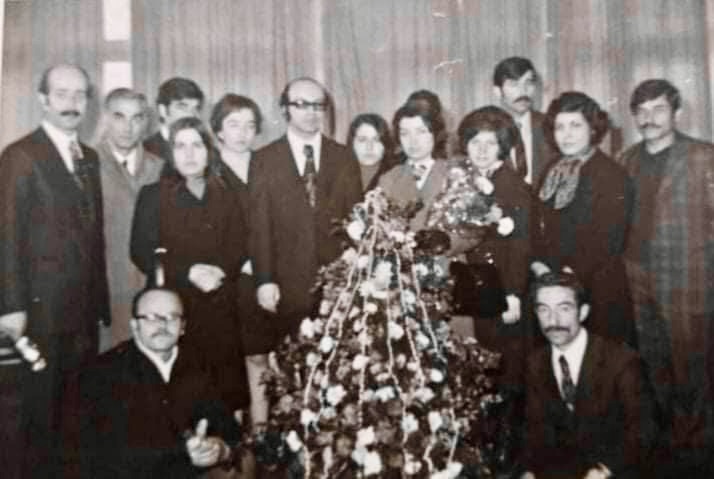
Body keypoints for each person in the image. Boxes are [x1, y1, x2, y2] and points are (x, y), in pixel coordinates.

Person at [0, 63, 110, 477]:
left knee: (75, 416)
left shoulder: (89, 158)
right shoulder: (20, 156)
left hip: (82, 314)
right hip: (39, 313)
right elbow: (6, 235)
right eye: (61, 94)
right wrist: (12, 307)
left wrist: (99, 303)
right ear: (43, 100)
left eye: (79, 95)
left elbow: (91, 236)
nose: (71, 103)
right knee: (37, 420)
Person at [618, 79, 714, 472]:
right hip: (636, 277)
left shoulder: (703, 157)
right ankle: (667, 448)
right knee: (651, 363)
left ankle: (697, 452)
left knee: (692, 366)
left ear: (677, 112)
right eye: (641, 111)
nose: (649, 118)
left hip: (688, 280)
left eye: (658, 109)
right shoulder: (626, 159)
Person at [130, 117, 249, 413]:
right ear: (171, 153)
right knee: (178, 398)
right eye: (180, 146)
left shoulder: (228, 193)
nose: (189, 154)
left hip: (219, 305)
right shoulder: (152, 195)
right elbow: (141, 251)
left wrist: (221, 270)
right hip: (174, 307)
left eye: (197, 145)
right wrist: (188, 272)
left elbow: (240, 243)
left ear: (209, 151)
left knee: (223, 397)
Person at [79, 286, 241, 478]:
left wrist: (219, 449)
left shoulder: (201, 364)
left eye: (172, 317)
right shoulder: (103, 372)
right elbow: (107, 454)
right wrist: (184, 454)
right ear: (134, 326)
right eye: (151, 317)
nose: (163, 325)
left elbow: (228, 428)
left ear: (183, 326)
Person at [251, 76, 362, 343]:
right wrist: (264, 280)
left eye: (318, 105)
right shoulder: (264, 159)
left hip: (337, 283)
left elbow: (356, 218)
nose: (311, 112)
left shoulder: (344, 156)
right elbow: (260, 227)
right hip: (287, 284)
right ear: (285, 109)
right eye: (301, 104)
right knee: (291, 358)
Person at [518, 271, 657, 479]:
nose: (553, 320)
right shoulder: (535, 363)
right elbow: (535, 430)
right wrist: (529, 471)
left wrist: (605, 470)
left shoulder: (621, 360)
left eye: (564, 309)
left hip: (616, 470)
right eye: (544, 309)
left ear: (583, 312)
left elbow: (645, 428)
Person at [533, 91, 636, 348]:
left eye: (575, 125)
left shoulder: (611, 174)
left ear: (592, 129)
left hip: (596, 290)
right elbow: (538, 225)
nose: (566, 135)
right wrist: (540, 267)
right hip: (553, 286)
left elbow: (607, 241)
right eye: (559, 127)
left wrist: (565, 280)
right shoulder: (551, 169)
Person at [454, 106, 535, 385]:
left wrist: (513, 293)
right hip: (474, 285)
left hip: (502, 286)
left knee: (504, 366)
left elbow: (522, 244)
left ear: (502, 147)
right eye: (475, 141)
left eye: (490, 143)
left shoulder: (513, 186)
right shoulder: (465, 181)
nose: (482, 150)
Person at [209, 93, 271, 431]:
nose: (242, 133)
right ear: (218, 130)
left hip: (260, 278)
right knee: (226, 361)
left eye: (249, 125)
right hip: (223, 280)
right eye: (233, 124)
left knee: (259, 357)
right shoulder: (208, 169)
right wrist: (237, 263)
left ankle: (261, 433)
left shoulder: (267, 165)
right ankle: (230, 436)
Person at [96, 88, 164, 351]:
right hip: (106, 290)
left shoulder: (160, 167)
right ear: (106, 118)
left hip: (150, 289)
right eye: (119, 116)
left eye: (136, 118)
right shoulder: (88, 164)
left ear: (146, 122)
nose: (128, 127)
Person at [492, 56, 553, 185]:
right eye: (514, 84)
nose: (523, 91)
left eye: (528, 83)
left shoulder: (551, 126)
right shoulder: (487, 130)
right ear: (498, 92)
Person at [143, 77, 204, 164]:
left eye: (196, 108)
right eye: (183, 107)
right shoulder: (145, 151)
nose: (192, 115)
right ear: (163, 111)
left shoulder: (206, 149)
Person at [345, 113, 398, 191]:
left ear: (385, 144)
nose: (369, 147)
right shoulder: (337, 174)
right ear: (352, 143)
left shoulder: (398, 176)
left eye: (376, 140)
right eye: (362, 140)